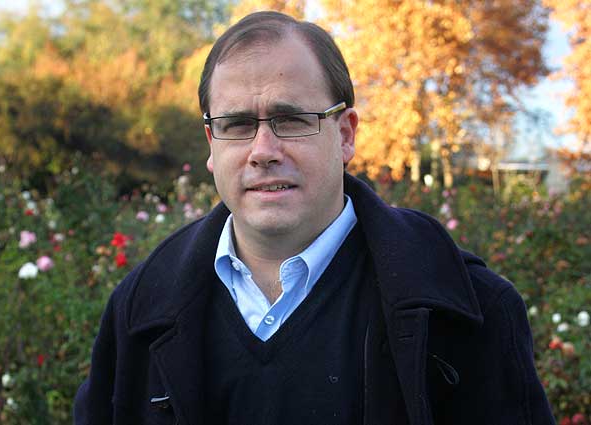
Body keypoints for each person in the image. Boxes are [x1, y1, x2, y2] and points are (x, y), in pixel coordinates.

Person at [74, 11, 555, 425]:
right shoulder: (138, 311)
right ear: (211, 145)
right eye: (237, 125)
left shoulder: (470, 312)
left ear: (345, 135)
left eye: (291, 120)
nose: (263, 151)